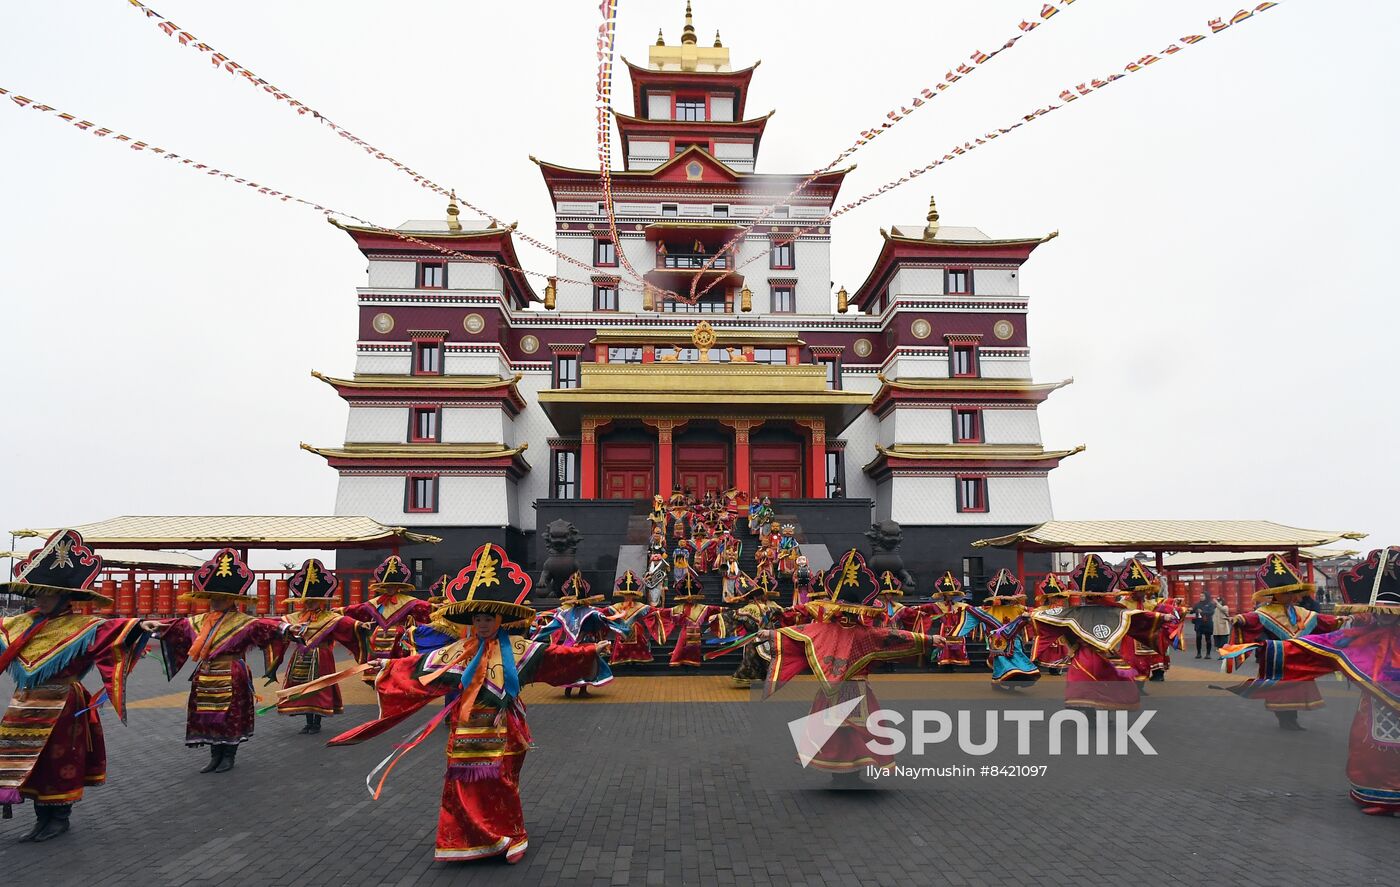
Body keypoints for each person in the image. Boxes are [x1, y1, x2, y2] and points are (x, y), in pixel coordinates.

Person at [329, 542, 613, 862]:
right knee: (459, 786)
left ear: (501, 619)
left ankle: (512, 835)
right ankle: (465, 839)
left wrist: (590, 652)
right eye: (477, 618)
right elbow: (421, 666)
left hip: (504, 729)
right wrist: (387, 666)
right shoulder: (458, 650)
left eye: (488, 618)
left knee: (503, 783)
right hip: (464, 733)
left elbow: (553, 657)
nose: (482, 624)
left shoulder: (518, 649)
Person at [0, 530, 152, 841]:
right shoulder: (21, 623)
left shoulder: (84, 626)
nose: (40, 599)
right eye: (37, 593)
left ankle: (59, 817)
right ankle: (41, 816)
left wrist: (139, 627)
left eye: (47, 594)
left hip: (63, 704)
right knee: (28, 761)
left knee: (59, 759)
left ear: (65, 597)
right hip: (25, 705)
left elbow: (115, 630)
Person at [1226, 547, 1396, 815]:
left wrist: (1268, 650)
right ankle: (1383, 794)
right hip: (1304, 667)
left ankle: (1385, 794)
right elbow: (1321, 642)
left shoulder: (1309, 616)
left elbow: (1324, 629)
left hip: (1370, 701)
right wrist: (1261, 644)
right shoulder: (1265, 612)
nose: (1293, 596)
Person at [760, 549, 944, 780]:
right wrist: (929, 640)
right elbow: (890, 636)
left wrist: (928, 639)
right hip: (855, 689)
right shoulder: (856, 632)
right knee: (853, 732)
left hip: (837, 690)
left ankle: (846, 773)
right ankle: (847, 773)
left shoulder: (836, 630)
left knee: (844, 732)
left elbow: (796, 633)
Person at [150, 548, 290, 774]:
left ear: (233, 599)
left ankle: (228, 755)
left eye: (221, 597)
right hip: (205, 673)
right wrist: (148, 628)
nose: (216, 601)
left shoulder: (244, 622)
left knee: (229, 715)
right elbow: (176, 626)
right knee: (207, 715)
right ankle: (214, 755)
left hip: (231, 672)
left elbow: (268, 627)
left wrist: (287, 629)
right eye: (213, 597)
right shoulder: (198, 621)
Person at [1223, 553, 1346, 730]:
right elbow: (1252, 619)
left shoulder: (1299, 611)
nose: (1291, 597)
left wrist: (1341, 620)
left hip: (1297, 657)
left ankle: (1292, 718)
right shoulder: (1265, 611)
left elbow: (1321, 620)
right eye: (1287, 593)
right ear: (1276, 594)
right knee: (1281, 689)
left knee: (1296, 689)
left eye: (1292, 593)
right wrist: (1239, 619)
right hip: (1277, 658)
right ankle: (1284, 719)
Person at [1030, 554, 1167, 713]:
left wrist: (1162, 616)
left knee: (1092, 683)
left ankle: (1096, 710)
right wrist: (1163, 617)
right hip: (1102, 654)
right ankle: (1096, 711)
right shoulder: (1109, 610)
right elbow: (1138, 615)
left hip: (1092, 655)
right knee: (1102, 683)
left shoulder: (1097, 611)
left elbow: (1138, 615)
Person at [270, 559, 367, 734]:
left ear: (321, 600)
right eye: (307, 600)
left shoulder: (329, 617)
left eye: (313, 600)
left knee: (320, 687)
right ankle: (308, 721)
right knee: (304, 688)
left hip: (321, 656)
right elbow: (277, 624)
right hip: (301, 656)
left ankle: (317, 722)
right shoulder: (297, 617)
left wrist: (360, 625)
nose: (310, 603)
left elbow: (346, 623)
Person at [530, 573, 613, 698]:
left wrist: (536, 633)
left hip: (569, 644)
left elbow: (550, 627)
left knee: (569, 666)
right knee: (585, 666)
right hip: (585, 644)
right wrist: (614, 622)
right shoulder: (591, 612)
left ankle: (569, 689)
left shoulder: (565, 613)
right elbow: (603, 619)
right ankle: (581, 689)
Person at [339, 555, 433, 662]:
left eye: (392, 586)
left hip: (399, 635)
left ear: (398, 587)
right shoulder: (377, 602)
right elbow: (359, 610)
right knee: (374, 644)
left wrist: (442, 609)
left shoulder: (409, 601)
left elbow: (425, 608)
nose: (389, 589)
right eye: (387, 586)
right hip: (379, 634)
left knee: (399, 653)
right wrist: (339, 611)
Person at [969, 569, 1040, 688]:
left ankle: (1011, 680)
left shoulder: (1016, 608)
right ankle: (999, 680)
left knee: (1012, 658)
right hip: (1000, 640)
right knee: (1001, 659)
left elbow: (1032, 612)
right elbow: (976, 611)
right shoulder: (996, 609)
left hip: (1012, 639)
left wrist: (1029, 616)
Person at [603, 571, 662, 666]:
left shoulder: (639, 606)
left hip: (635, 631)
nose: (628, 597)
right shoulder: (617, 606)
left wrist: (666, 611)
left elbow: (652, 610)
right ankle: (623, 661)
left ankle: (636, 660)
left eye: (630, 595)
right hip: (622, 632)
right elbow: (603, 612)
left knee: (637, 644)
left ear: (634, 595)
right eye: (626, 595)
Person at [1189, 591, 1217, 658]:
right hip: (1199, 623)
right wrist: (1190, 609)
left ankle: (1208, 654)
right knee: (1198, 637)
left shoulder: (1210, 604)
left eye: (1202, 596)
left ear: (1206, 596)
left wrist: (1202, 612)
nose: (1201, 597)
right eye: (1200, 596)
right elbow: (1192, 611)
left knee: (1208, 638)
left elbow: (1211, 612)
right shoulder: (1197, 604)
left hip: (1207, 623)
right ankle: (1198, 653)